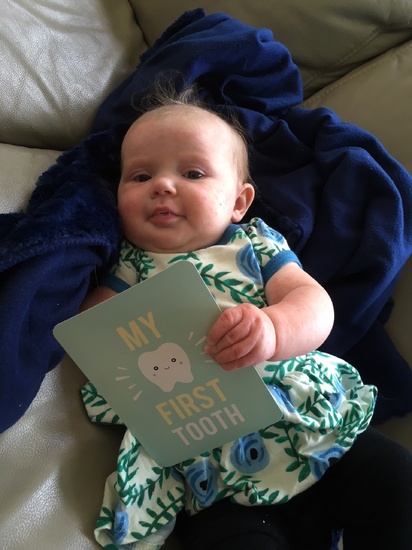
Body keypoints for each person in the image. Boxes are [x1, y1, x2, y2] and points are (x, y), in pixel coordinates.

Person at [80, 86, 412, 550]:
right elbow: (93, 331)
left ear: (238, 202)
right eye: (139, 176)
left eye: (192, 173)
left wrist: (274, 328)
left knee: (395, 478)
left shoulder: (254, 245)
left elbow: (314, 303)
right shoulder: (130, 267)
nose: (162, 185)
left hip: (313, 430)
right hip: (218, 473)